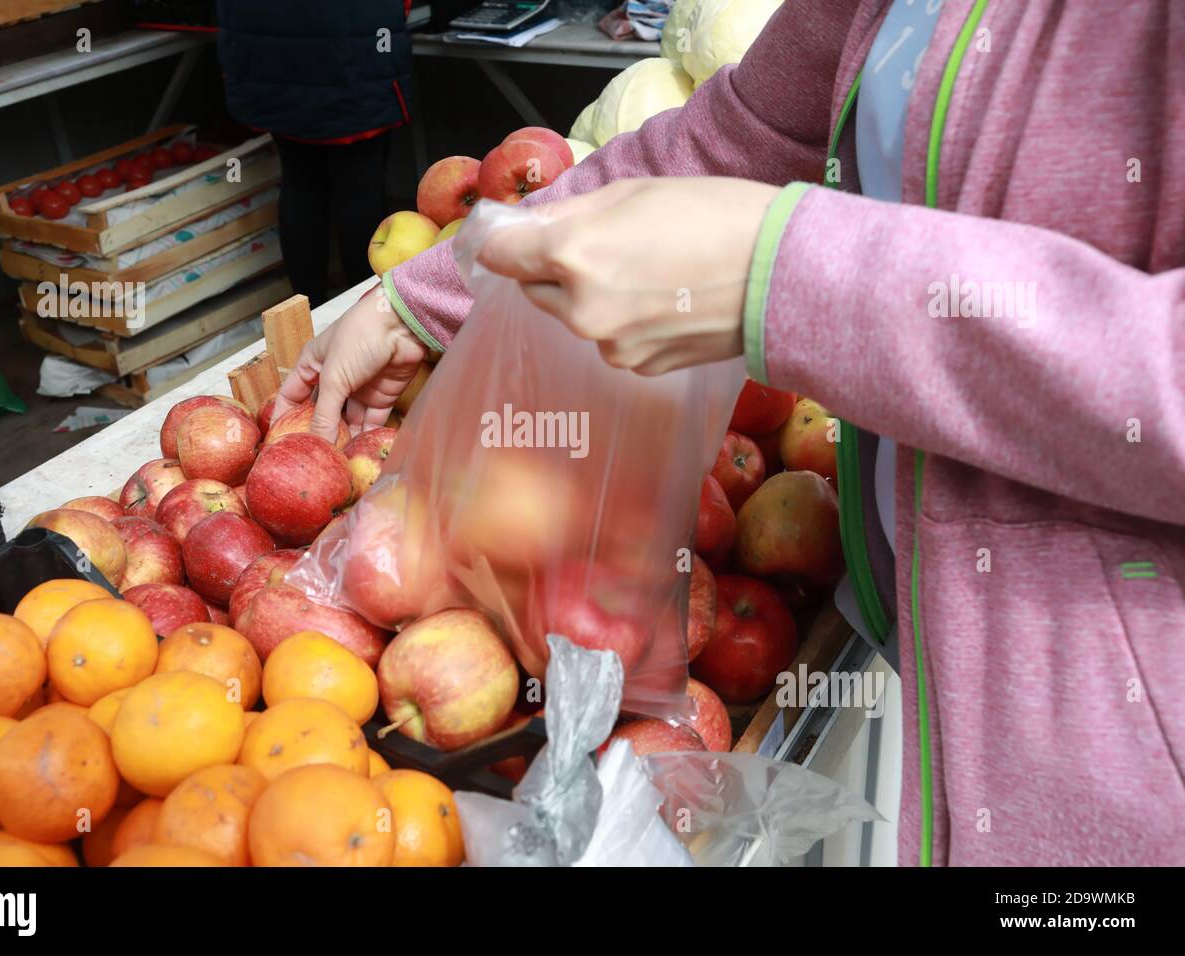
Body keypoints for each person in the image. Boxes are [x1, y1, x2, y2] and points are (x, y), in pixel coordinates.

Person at [274, 0, 1185, 866]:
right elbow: (731, 144)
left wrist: (787, 275)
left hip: (1129, 771)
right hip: (969, 674)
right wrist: (425, 300)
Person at [216, 1, 414, 300]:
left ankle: (306, 315)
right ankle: (365, 318)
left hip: (270, 53)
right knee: (359, 190)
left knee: (299, 182)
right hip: (349, 52)